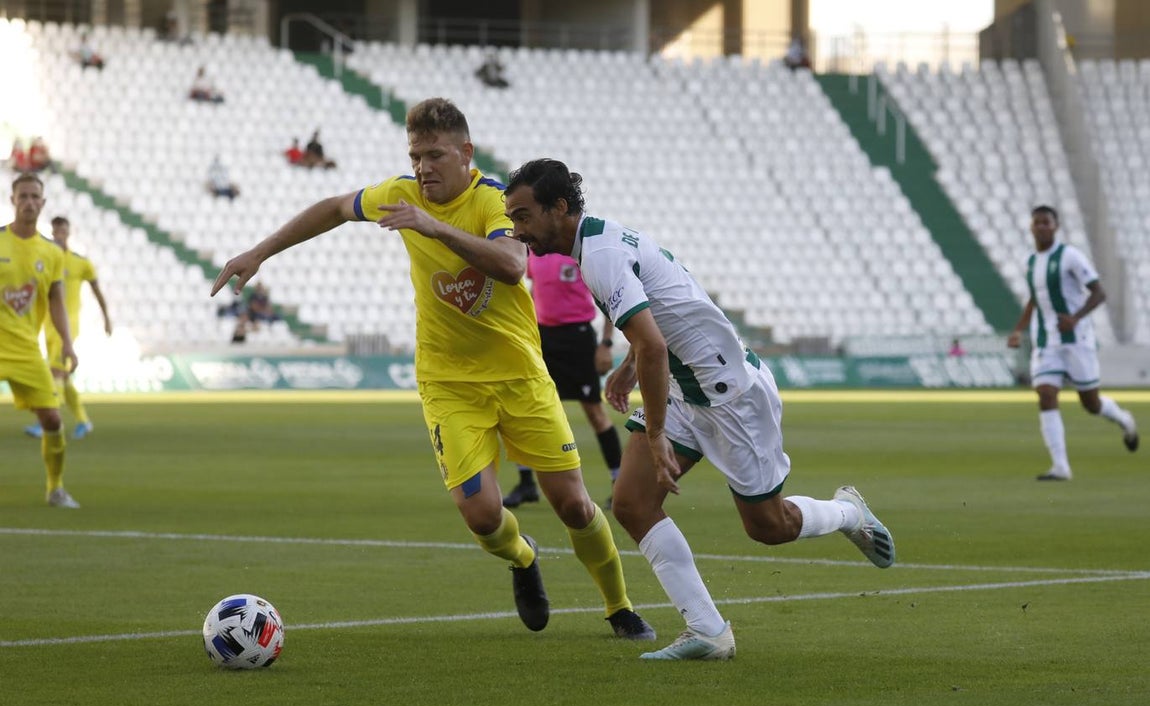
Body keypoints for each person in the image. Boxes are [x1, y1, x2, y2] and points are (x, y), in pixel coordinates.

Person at [210, 98, 654, 641]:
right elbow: (332, 207)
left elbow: (514, 266)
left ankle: (619, 607)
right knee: (484, 517)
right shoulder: (399, 193)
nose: (423, 168)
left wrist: (433, 228)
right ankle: (522, 557)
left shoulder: (493, 201)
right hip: (447, 383)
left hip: (519, 376)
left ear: (465, 153)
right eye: (416, 155)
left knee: (574, 504)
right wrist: (260, 252)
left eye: (435, 155)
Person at [503, 159, 896, 661]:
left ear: (559, 208)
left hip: (730, 394)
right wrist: (627, 369)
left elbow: (655, 346)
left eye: (524, 216)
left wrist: (659, 430)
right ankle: (708, 631)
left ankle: (847, 513)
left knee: (768, 527)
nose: (519, 231)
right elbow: (666, 311)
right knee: (631, 502)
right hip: (689, 387)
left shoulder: (598, 256)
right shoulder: (597, 241)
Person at [1006, 205, 1138, 480]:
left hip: (1076, 340)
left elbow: (1099, 292)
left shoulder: (1070, 257)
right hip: (1047, 342)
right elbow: (1035, 298)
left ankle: (1124, 419)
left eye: (1047, 222)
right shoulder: (1031, 262)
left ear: (1056, 226)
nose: (1042, 227)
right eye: (1037, 222)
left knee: (1091, 403)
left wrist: (1076, 318)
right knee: (1045, 393)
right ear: (1031, 227)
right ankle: (1061, 467)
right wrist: (1018, 329)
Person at [503, 252, 622, 510]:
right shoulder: (532, 251)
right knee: (523, 408)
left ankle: (619, 484)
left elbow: (608, 300)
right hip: (543, 337)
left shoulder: (578, 252)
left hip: (577, 338)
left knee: (594, 412)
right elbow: (535, 291)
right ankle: (526, 483)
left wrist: (606, 344)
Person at [1, 174, 81, 508]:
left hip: (25, 348)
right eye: (24, 196)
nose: (30, 202)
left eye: (36, 196)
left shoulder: (51, 253)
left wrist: (67, 342)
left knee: (52, 418)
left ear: (43, 203)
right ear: (13, 200)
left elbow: (56, 300)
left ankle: (55, 488)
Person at [23, 216, 112, 440]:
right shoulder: (47, 258)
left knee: (55, 371)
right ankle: (83, 421)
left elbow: (97, 291)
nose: (59, 234)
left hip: (68, 324)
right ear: (52, 232)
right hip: (47, 324)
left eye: (63, 231)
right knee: (63, 375)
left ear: (69, 232)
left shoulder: (81, 262)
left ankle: (47, 422)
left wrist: (106, 318)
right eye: (56, 231)